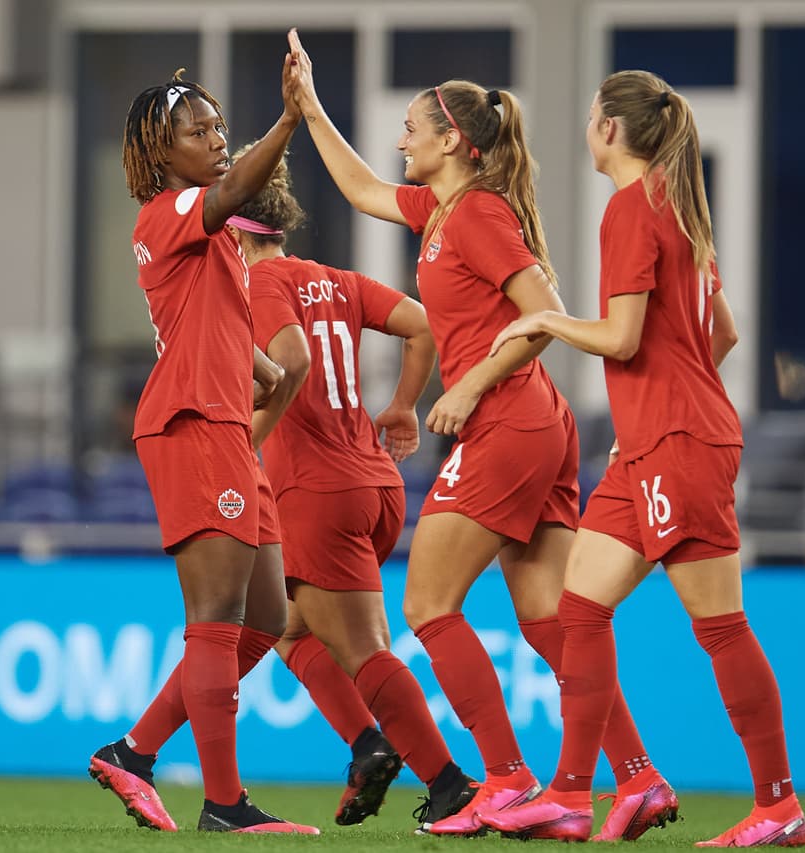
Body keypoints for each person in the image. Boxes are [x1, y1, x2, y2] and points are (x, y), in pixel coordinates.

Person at [285, 31, 672, 839]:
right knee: (544, 618)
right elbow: (359, 188)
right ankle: (636, 779)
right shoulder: (441, 210)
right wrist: (309, 108)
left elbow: (546, 313)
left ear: (451, 141)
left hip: (509, 420)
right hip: (536, 422)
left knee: (429, 603)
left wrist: (466, 383)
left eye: (412, 130)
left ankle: (504, 778)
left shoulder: (479, 216)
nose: (400, 142)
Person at [482, 70, 805, 848]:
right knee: (579, 608)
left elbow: (624, 338)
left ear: (611, 133)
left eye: (593, 118)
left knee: (721, 625)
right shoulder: (679, 210)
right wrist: (648, 410)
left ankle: (779, 806)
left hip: (680, 446)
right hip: (655, 444)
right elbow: (716, 334)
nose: (588, 128)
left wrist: (550, 323)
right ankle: (574, 793)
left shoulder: (631, 209)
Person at [87, 46, 319, 835]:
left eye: (221, 126)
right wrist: (290, 117)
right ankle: (224, 803)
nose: (217, 137)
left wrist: (273, 377)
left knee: (261, 619)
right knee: (216, 616)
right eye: (200, 129)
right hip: (190, 423)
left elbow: (221, 337)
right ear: (163, 151)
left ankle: (135, 749)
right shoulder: (170, 211)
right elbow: (233, 191)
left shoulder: (208, 236)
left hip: (223, 421)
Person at [233, 143, 465, 827]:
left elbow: (289, 361)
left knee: (365, 653)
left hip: (316, 491)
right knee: (290, 628)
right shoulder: (334, 279)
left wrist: (248, 429)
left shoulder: (255, 286)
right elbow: (422, 324)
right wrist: (402, 405)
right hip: (375, 482)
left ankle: (452, 784)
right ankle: (368, 745)